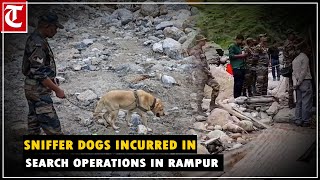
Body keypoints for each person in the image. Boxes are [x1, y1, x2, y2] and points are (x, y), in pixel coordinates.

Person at [22, 12, 65, 135]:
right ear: (46, 26)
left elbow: (38, 68)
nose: (56, 31)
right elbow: (39, 72)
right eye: (54, 28)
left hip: (32, 87)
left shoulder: (37, 38)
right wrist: (57, 90)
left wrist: (51, 80)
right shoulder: (38, 44)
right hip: (37, 90)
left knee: (34, 123)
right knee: (53, 127)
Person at [188, 35, 220, 115]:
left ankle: (212, 104)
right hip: (200, 74)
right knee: (200, 92)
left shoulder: (201, 49)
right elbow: (199, 64)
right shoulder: (195, 51)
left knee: (216, 86)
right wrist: (208, 72)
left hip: (205, 73)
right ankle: (199, 109)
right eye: (203, 40)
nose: (204, 42)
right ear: (199, 41)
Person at [292, 44, 313, 127]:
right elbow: (303, 72)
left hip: (297, 83)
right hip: (305, 81)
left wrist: (295, 84)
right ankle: (306, 120)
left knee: (299, 102)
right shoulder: (305, 58)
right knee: (306, 102)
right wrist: (299, 82)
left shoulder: (295, 59)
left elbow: (293, 73)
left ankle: (298, 119)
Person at [283, 29, 298, 108]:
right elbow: (292, 54)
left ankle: (292, 102)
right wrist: (299, 49)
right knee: (292, 84)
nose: (294, 36)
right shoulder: (288, 44)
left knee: (292, 83)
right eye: (292, 34)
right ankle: (291, 102)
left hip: (290, 64)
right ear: (289, 35)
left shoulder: (290, 42)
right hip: (291, 65)